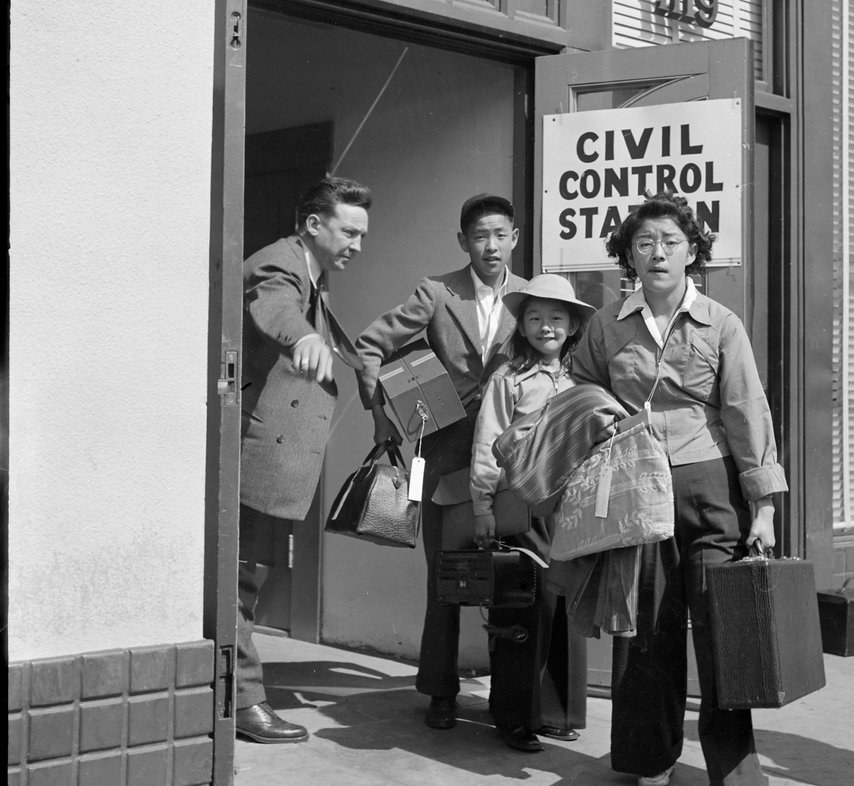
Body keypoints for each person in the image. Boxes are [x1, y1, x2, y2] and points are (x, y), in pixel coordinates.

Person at [571, 192, 788, 786]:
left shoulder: (719, 322)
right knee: (648, 632)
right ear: (628, 256)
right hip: (637, 489)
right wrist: (594, 423)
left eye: (670, 240)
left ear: (692, 250)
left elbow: (750, 411)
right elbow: (579, 390)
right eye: (644, 242)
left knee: (725, 641)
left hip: (709, 489)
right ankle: (651, 752)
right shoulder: (608, 326)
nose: (657, 251)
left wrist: (766, 506)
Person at [355, 194, 528, 731]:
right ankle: (440, 692)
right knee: (444, 573)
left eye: (500, 234)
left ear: (514, 238)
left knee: (512, 569)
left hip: (508, 455)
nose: (491, 245)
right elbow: (369, 345)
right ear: (463, 242)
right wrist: (380, 417)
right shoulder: (436, 292)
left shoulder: (530, 296)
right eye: (480, 236)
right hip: (439, 450)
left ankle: (513, 702)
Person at [236, 177, 372, 743]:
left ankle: (233, 696)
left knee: (248, 578)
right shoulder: (281, 264)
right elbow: (276, 305)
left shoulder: (314, 276)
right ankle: (242, 703)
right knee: (238, 578)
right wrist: (301, 339)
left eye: (363, 235)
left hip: (271, 457)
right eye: (349, 231)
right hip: (250, 454)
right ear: (314, 224)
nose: (358, 245)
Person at [469, 274, 593, 752]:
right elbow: (486, 445)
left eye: (556, 318)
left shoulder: (583, 378)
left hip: (571, 510)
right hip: (521, 507)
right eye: (535, 318)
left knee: (565, 606)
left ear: (572, 326)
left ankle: (560, 713)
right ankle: (513, 717)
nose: (546, 326)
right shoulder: (508, 380)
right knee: (524, 608)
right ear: (522, 325)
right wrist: (483, 507)